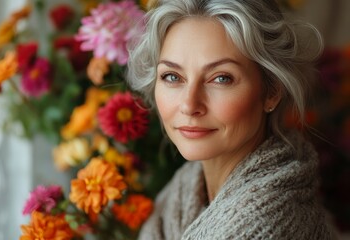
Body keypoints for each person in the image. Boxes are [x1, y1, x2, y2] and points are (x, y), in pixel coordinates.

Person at [126, 0, 335, 239]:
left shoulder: (270, 227)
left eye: (221, 78)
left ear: (271, 92)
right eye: (172, 76)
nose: (189, 105)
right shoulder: (184, 191)